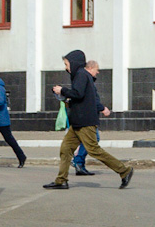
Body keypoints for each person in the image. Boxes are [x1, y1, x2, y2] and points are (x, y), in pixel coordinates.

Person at [45, 50, 133, 189]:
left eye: (66, 64)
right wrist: (67, 98)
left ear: (73, 63)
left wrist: (62, 90)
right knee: (66, 148)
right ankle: (61, 180)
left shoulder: (80, 74)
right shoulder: (82, 75)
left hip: (85, 122)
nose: (66, 68)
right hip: (78, 122)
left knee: (94, 149)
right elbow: (80, 98)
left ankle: (124, 171)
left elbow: (78, 94)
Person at [71, 60, 110, 176]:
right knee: (94, 139)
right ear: (91, 68)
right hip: (87, 118)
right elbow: (93, 100)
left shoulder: (85, 78)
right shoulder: (85, 78)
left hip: (85, 117)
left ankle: (79, 163)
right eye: (97, 70)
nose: (97, 72)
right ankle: (77, 161)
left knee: (86, 140)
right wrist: (103, 108)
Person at [0, 74, 25, 168]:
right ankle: (21, 157)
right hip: (0, 119)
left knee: (9, 139)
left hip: (1, 120)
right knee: (9, 139)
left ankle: (21, 157)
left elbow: (0, 101)